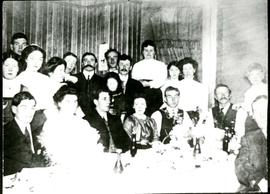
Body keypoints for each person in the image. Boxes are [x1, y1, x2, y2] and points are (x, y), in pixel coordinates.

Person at [38, 85, 102, 168]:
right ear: (59, 103)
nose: (73, 105)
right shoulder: (52, 123)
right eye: (68, 101)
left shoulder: (83, 123)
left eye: (75, 101)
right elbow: (52, 154)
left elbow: (93, 148)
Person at [4, 92, 46, 176]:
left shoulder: (37, 129)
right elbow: (28, 160)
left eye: (32, 108)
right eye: (24, 107)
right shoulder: (6, 132)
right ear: (14, 109)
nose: (29, 112)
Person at [235, 95, 268, 192]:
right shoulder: (250, 138)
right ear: (253, 116)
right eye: (257, 112)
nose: (262, 115)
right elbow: (241, 163)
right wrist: (253, 180)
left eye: (265, 110)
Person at [84, 89, 131, 153]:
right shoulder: (87, 121)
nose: (108, 102)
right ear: (96, 102)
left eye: (109, 99)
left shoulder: (115, 119)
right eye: (104, 99)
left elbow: (127, 142)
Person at [131, 40, 167, 116]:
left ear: (154, 52)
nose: (148, 53)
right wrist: (142, 84)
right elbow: (134, 80)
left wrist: (148, 84)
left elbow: (162, 80)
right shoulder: (137, 65)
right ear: (142, 52)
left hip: (155, 94)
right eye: (146, 50)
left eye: (151, 50)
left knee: (155, 115)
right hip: (140, 93)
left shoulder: (161, 65)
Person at [16, 44, 51, 110]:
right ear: (26, 59)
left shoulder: (45, 78)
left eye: (40, 59)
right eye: (32, 58)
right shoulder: (21, 78)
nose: (36, 62)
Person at [177, 57, 208, 124]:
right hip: (179, 117)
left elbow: (203, 107)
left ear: (194, 70)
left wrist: (201, 121)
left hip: (194, 118)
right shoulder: (177, 85)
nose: (187, 71)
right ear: (182, 71)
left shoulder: (201, 87)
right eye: (185, 69)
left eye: (190, 68)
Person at [210, 84, 238, 154]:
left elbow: (240, 134)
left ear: (230, 95)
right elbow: (209, 132)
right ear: (215, 97)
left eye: (225, 93)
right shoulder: (211, 112)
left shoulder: (238, 111)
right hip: (215, 150)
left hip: (233, 149)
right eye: (219, 93)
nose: (223, 95)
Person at [117, 54, 144, 119]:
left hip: (132, 117)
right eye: (121, 64)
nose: (124, 67)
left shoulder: (137, 85)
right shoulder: (110, 82)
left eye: (126, 65)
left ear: (130, 68)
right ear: (117, 67)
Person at [3, 56, 22, 124]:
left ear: (18, 69)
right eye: (7, 65)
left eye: (14, 66)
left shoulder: (24, 88)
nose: (10, 69)